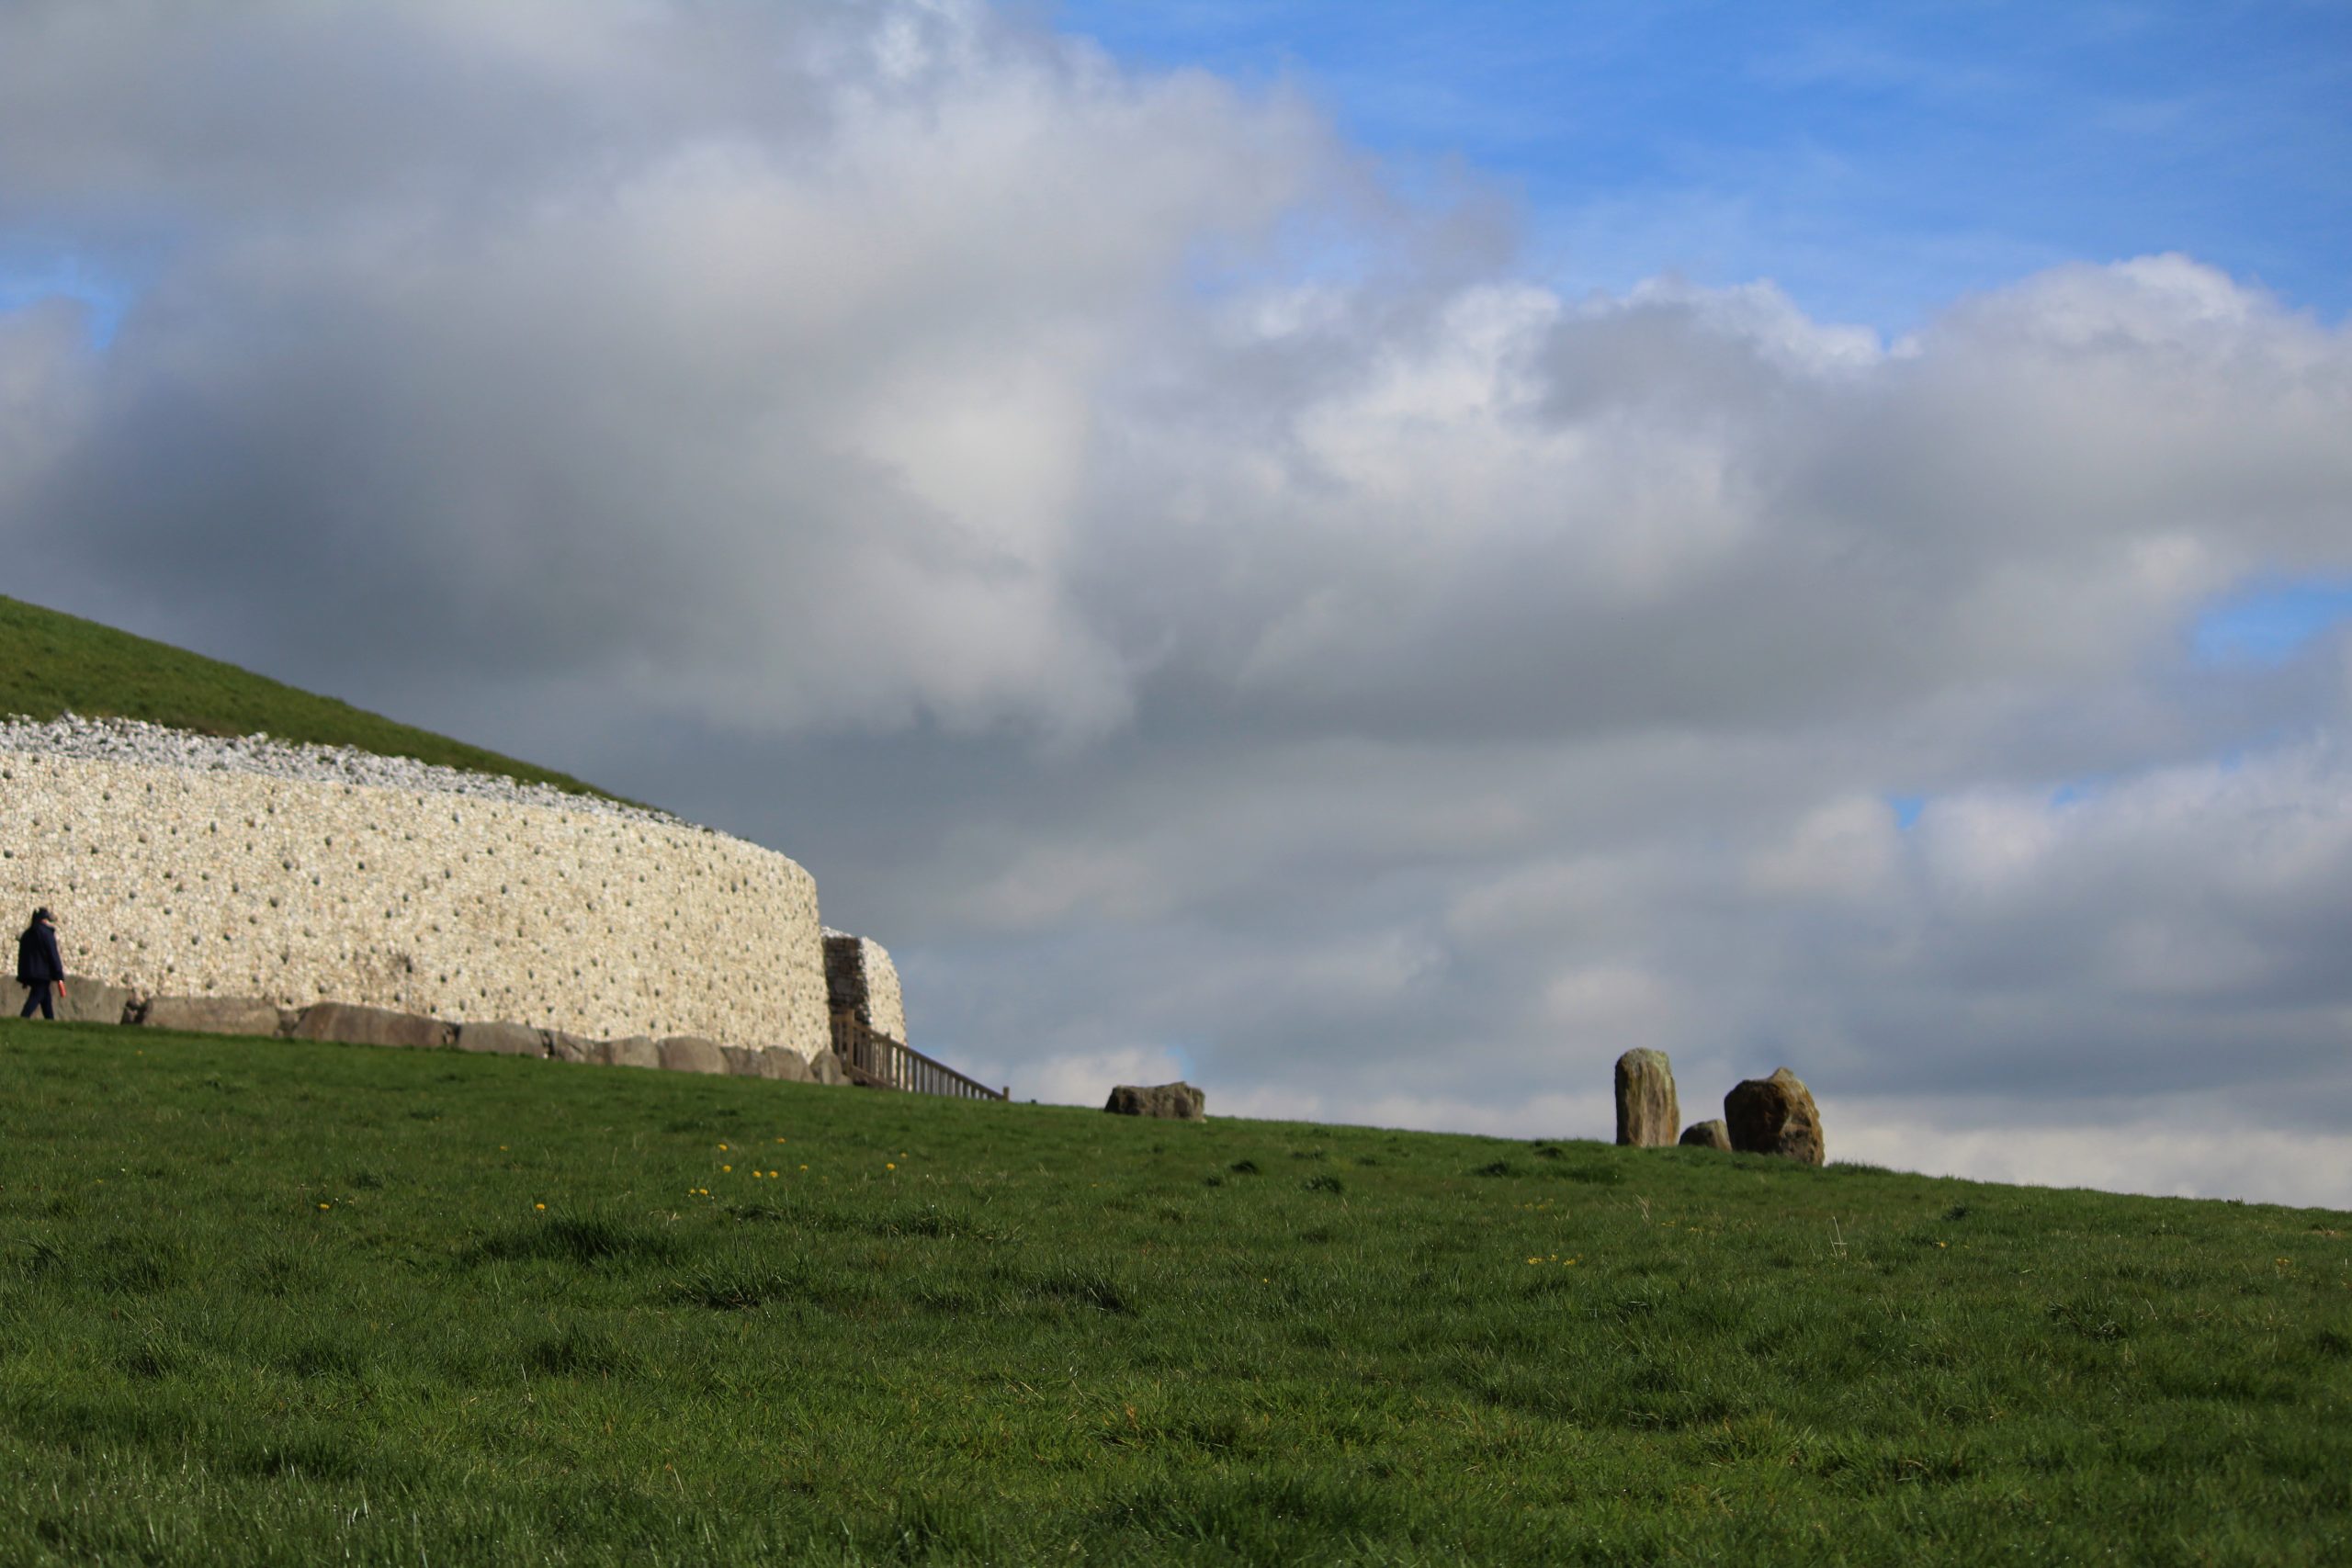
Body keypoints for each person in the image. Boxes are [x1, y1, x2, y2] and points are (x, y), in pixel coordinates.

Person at [15, 908, 66, 1020]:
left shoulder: (26, 935)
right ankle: (23, 1018)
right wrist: (59, 975)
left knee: (46, 998)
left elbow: (22, 957)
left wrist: (23, 976)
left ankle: (50, 1021)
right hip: (42, 974)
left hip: (29, 973)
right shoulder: (46, 934)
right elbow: (53, 955)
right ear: (44, 920)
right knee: (37, 995)